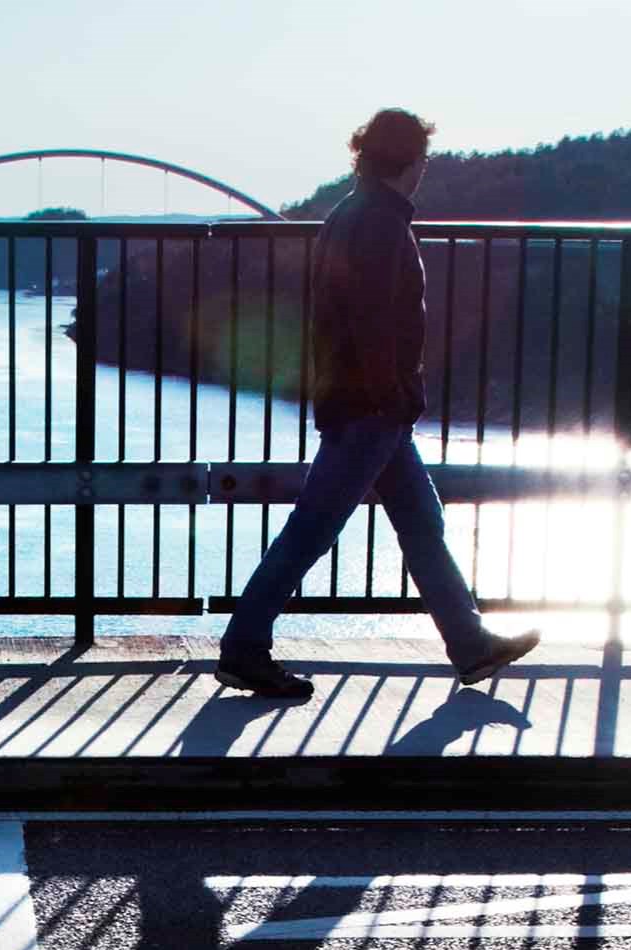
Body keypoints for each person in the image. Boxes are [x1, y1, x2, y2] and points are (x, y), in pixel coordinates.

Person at [216, 108, 540, 701]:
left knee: (421, 523)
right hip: (372, 407)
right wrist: (392, 395)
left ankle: (469, 645)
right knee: (313, 528)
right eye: (423, 160)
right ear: (409, 162)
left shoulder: (352, 213)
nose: (424, 171)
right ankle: (243, 648)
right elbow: (371, 323)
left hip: (366, 403)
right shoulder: (380, 224)